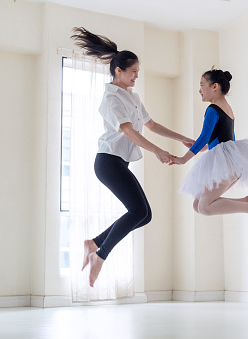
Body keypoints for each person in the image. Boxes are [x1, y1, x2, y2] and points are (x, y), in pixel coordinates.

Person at [71, 27, 195, 287]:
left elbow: (151, 125)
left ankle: (93, 244)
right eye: (133, 71)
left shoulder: (133, 97)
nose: (137, 75)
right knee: (137, 210)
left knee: (144, 215)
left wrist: (181, 138)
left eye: (138, 70)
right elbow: (128, 132)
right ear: (119, 71)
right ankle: (99, 255)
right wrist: (158, 151)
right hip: (107, 162)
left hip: (118, 162)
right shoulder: (111, 99)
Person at [171, 68, 248, 229]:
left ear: (214, 87)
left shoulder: (212, 109)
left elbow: (205, 136)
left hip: (226, 163)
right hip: (232, 161)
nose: (199, 90)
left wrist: (183, 159)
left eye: (201, 85)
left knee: (204, 207)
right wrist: (203, 148)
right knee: (197, 204)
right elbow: (226, 139)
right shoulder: (227, 107)